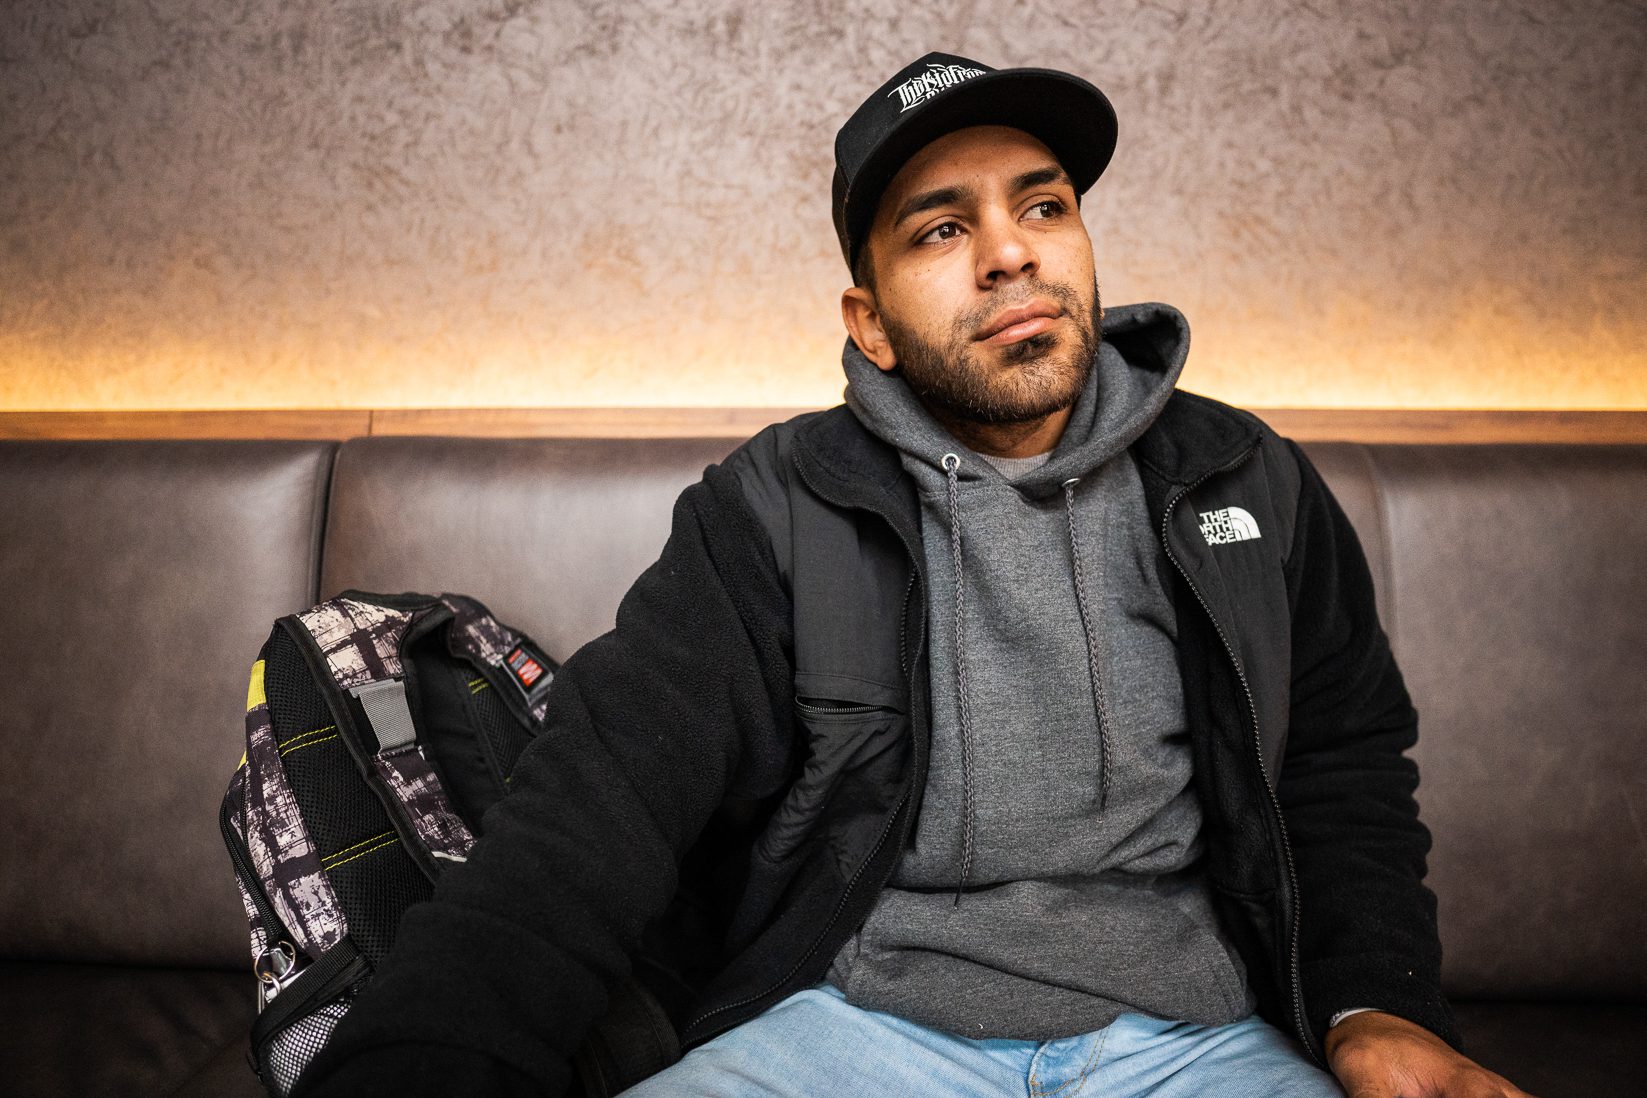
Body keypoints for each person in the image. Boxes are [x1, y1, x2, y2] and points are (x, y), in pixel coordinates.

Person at [296, 53, 1530, 1098]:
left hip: (1194, 1038)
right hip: (856, 1032)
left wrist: (1375, 1006)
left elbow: (1343, 770)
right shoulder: (773, 509)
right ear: (871, 322)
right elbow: (595, 807)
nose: (1009, 254)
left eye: (1043, 207)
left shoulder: (1242, 482)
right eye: (942, 229)